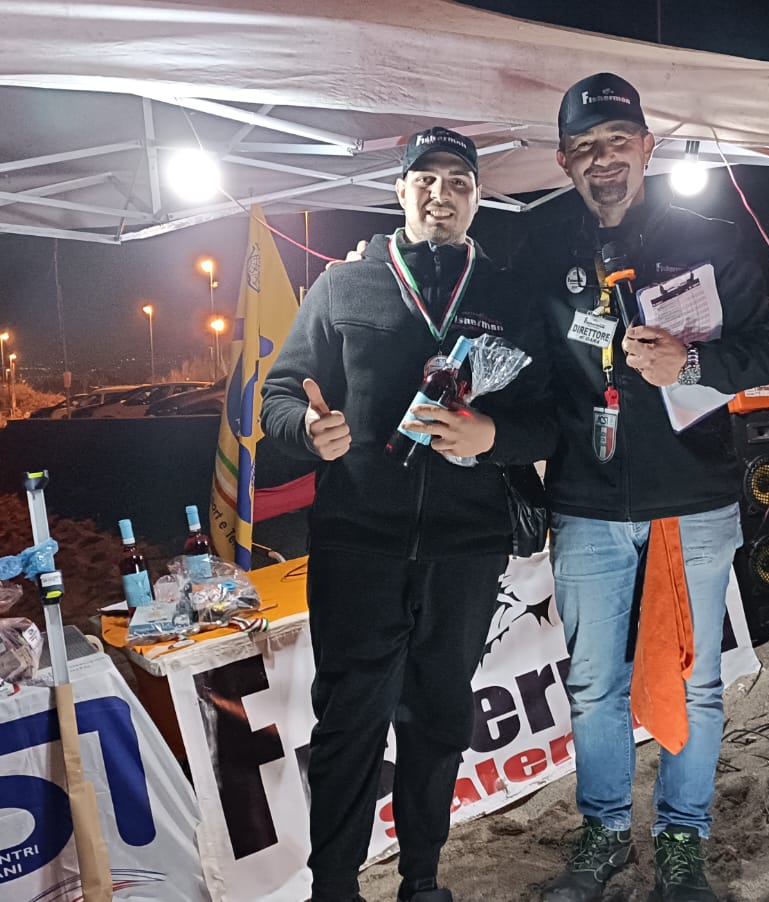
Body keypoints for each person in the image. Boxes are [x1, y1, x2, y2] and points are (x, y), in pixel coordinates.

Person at [260, 126, 556, 902]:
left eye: (459, 182)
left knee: (439, 717)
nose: (441, 194)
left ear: (478, 199)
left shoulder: (508, 297)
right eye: (425, 179)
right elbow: (279, 394)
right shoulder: (341, 287)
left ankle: (422, 878)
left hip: (467, 545)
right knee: (348, 721)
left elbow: (547, 417)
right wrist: (307, 430)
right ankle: (334, 887)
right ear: (399, 191)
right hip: (357, 543)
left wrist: (493, 437)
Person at [531, 73, 769, 902]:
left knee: (697, 681)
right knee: (593, 684)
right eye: (584, 147)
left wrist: (695, 363)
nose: (603, 160)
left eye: (617, 141)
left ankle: (683, 841)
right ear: (564, 160)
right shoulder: (542, 248)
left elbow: (768, 349)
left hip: (693, 499)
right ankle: (605, 834)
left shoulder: (708, 238)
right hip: (586, 503)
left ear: (646, 146)